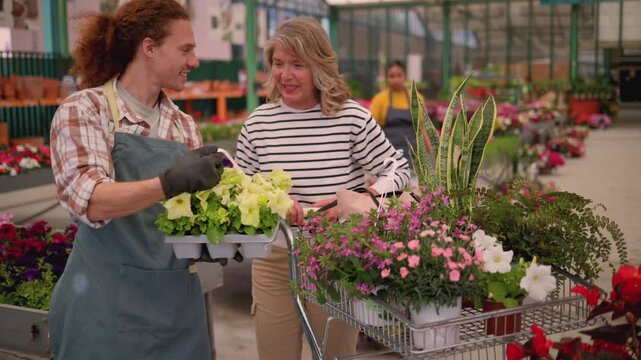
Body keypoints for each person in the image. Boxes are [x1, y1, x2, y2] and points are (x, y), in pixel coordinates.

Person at [48, 1, 224, 359]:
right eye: (186, 49)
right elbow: (91, 200)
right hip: (103, 306)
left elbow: (191, 215)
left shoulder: (183, 126)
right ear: (149, 48)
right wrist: (167, 184)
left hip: (176, 309)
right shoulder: (85, 110)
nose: (195, 62)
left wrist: (212, 239)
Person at [234, 17, 411, 360]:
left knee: (333, 354)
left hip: (335, 258)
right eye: (278, 64)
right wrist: (272, 203)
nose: (285, 75)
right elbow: (239, 190)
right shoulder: (258, 123)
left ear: (320, 65)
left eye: (298, 64)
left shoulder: (351, 118)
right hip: (274, 259)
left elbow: (398, 169)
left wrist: (366, 197)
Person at [370, 61, 425, 165]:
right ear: (387, 78)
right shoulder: (380, 99)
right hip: (388, 154)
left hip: (413, 153)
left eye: (399, 75)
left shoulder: (416, 98)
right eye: (391, 76)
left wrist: (432, 152)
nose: (395, 79)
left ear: (405, 76)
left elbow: (422, 127)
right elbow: (373, 129)